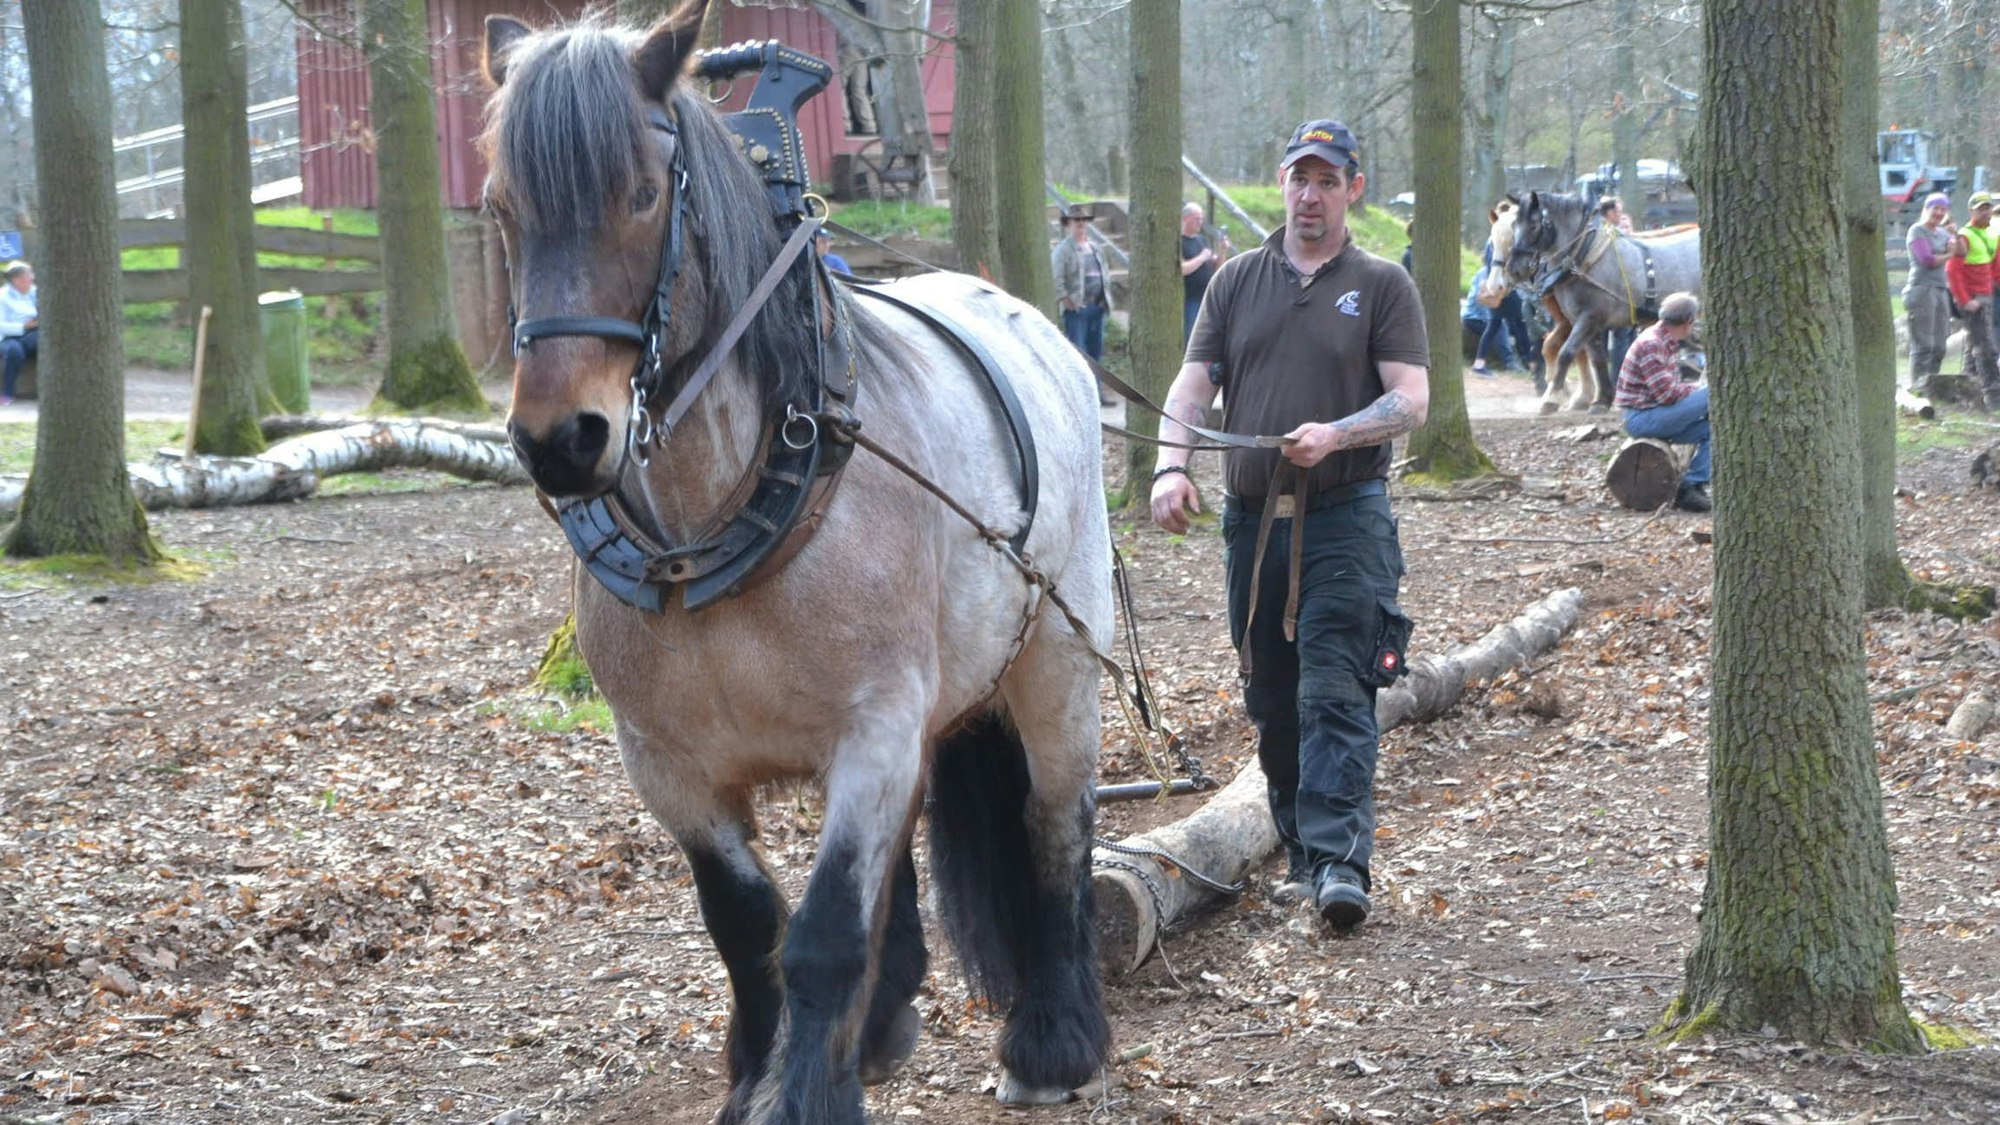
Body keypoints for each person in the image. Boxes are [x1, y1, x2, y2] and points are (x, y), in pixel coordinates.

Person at [1151, 119, 1429, 931]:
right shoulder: (1237, 281)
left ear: (1353, 189)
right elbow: (1190, 388)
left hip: (1346, 517)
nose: (1311, 195)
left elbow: (1412, 398)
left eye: (1328, 181)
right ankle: (1307, 859)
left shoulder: (1382, 284)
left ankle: (1344, 863)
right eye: (1299, 179)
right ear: (1283, 184)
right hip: (1251, 524)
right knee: (1270, 694)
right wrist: (1173, 466)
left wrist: (1337, 433)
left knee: (1335, 689)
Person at [1614, 291, 1710, 513]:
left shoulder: (1665, 341)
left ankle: (1692, 486)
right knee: (1712, 395)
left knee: (1712, 430)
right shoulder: (1652, 344)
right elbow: (1666, 395)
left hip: (1653, 413)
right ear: (1688, 322)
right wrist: (1697, 392)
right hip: (1641, 418)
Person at [1947, 191, 2000, 411]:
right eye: (1981, 208)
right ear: (1971, 212)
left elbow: (1995, 268)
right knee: (1986, 348)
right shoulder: (1964, 236)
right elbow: (1952, 270)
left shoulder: (1993, 235)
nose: (1986, 212)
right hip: (1971, 300)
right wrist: (1964, 300)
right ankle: (1995, 397)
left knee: (1973, 347)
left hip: (1985, 296)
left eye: (1988, 207)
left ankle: (1968, 392)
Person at [1905, 192, 1955, 397]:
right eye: (1935, 208)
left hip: (1941, 290)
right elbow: (1927, 260)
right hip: (1921, 289)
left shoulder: (1943, 233)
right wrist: (1949, 253)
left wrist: (1953, 236)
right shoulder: (1917, 231)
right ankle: (1918, 390)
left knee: (1939, 345)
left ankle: (1931, 389)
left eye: (1943, 209)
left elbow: (1961, 252)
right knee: (1923, 345)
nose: (1939, 212)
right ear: (1926, 209)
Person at [1050, 204, 1112, 363]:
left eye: (1084, 219)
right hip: (1077, 311)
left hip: (1097, 308)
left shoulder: (1096, 248)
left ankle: (1096, 388)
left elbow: (1105, 273)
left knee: (1096, 355)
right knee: (1079, 357)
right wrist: (1067, 301)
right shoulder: (1062, 250)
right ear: (1068, 223)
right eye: (1077, 220)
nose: (1081, 223)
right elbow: (1056, 279)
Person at [1597, 196, 1637, 382]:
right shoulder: (1612, 236)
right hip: (1619, 297)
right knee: (1622, 338)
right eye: (1618, 212)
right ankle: (1618, 382)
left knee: (1611, 341)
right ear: (1611, 213)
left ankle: (1609, 383)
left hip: (1606, 297)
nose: (1621, 215)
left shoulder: (1598, 233)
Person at [1180, 202, 1224, 344]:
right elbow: (1182, 269)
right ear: (1186, 219)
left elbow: (1217, 266)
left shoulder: (1202, 240)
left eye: (1201, 219)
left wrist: (1222, 250)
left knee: (1211, 337)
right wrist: (1201, 257)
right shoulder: (1179, 241)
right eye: (1197, 219)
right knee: (1193, 338)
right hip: (1190, 299)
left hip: (1208, 297)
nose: (1200, 222)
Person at [0, 260, 36, 406]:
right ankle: (8, 392)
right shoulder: (2, 297)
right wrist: (23, 326)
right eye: (28, 275)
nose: (32, 278)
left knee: (45, 344)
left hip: (32, 334)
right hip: (9, 337)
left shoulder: (35, 292)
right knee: (14, 351)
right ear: (16, 279)